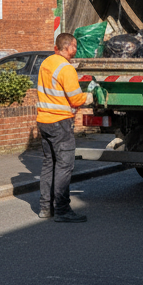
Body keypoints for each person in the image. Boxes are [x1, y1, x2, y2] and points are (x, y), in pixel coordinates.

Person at [35, 33, 98, 222]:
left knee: (49, 164)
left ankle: (46, 208)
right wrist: (91, 95)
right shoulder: (66, 69)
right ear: (69, 47)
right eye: (75, 46)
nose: (76, 50)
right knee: (64, 166)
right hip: (60, 123)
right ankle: (62, 210)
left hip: (44, 121)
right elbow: (76, 99)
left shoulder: (47, 63)